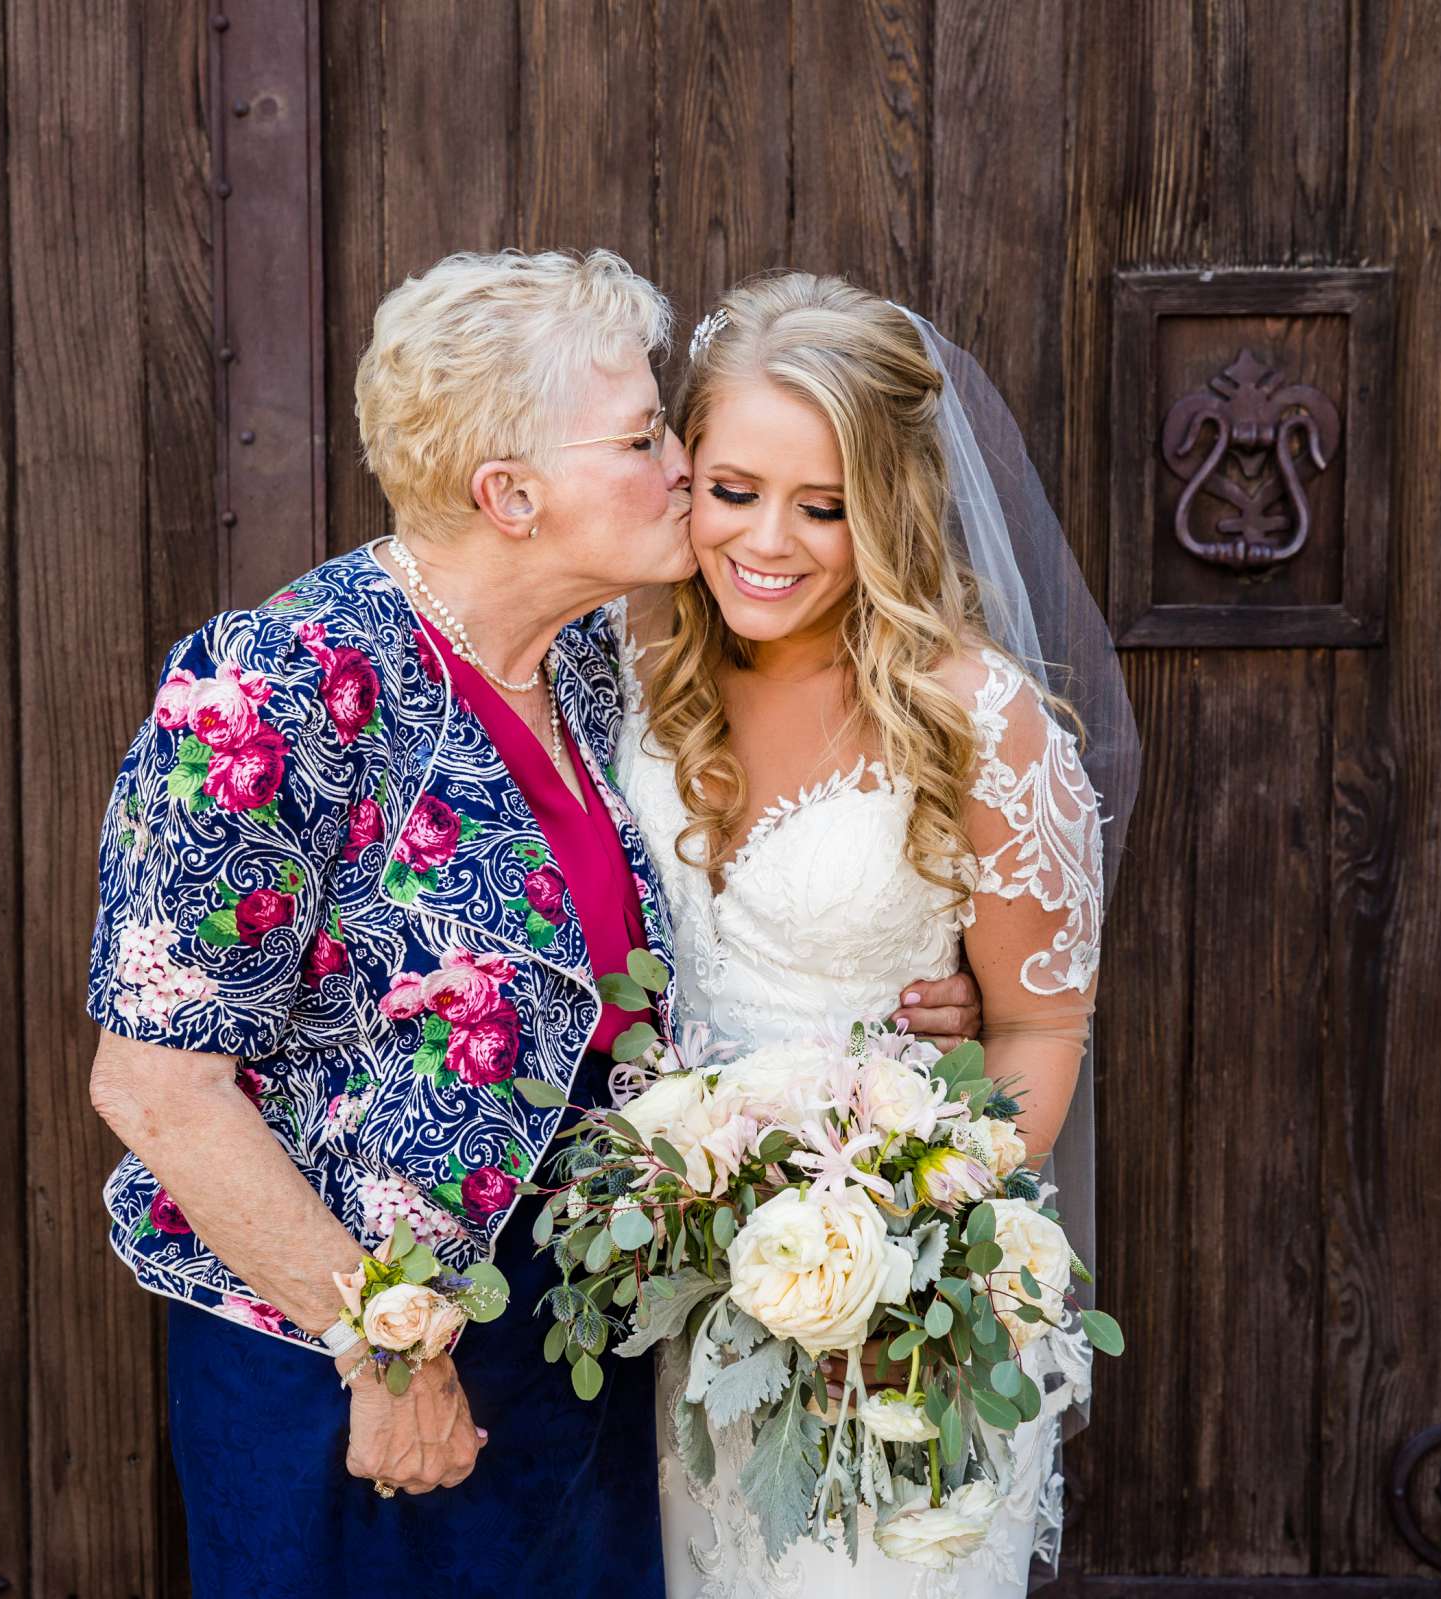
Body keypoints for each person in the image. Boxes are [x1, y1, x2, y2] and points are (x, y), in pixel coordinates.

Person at [82, 249, 981, 1596]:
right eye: (640, 438)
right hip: (342, 1370)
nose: (685, 461)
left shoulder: (603, 662)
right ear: (510, 495)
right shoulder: (278, 687)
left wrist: (905, 1002)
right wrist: (387, 1346)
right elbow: (156, 1084)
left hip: (573, 1349)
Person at [617, 273, 1138, 1597]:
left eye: (825, 506)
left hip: (894, 1312)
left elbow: (1036, 1023)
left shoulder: (977, 717)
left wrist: (904, 1273)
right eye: (734, 490)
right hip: (679, 1307)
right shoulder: (628, 670)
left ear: (892, 505)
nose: (767, 543)